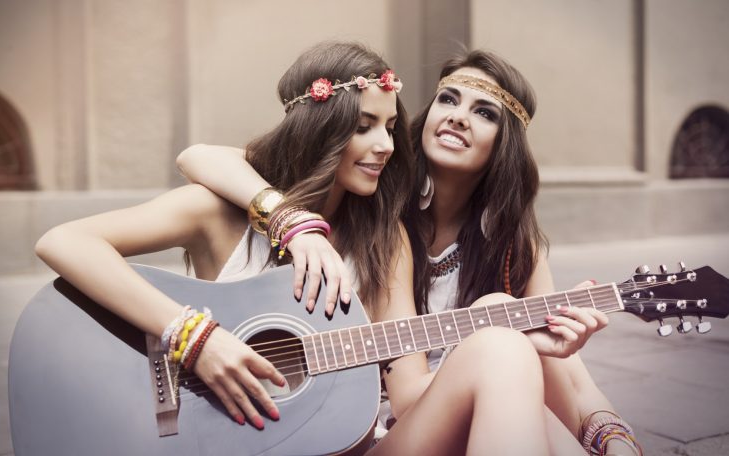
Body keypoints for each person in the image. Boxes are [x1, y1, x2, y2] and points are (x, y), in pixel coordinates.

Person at [34, 41, 585, 455]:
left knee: (502, 347)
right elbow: (64, 241)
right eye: (365, 126)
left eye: (391, 127)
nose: (385, 146)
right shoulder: (221, 213)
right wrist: (197, 340)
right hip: (216, 441)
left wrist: (490, 329)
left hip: (346, 447)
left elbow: (412, 396)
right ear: (322, 128)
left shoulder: (383, 238)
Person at [177, 49, 642, 455]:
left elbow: (569, 368)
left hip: (493, 397)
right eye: (449, 99)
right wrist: (289, 221)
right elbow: (200, 157)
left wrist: (612, 433)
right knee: (500, 324)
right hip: (403, 415)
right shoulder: (376, 204)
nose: (459, 116)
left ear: (507, 144)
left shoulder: (511, 243)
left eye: (485, 112)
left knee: (504, 323)